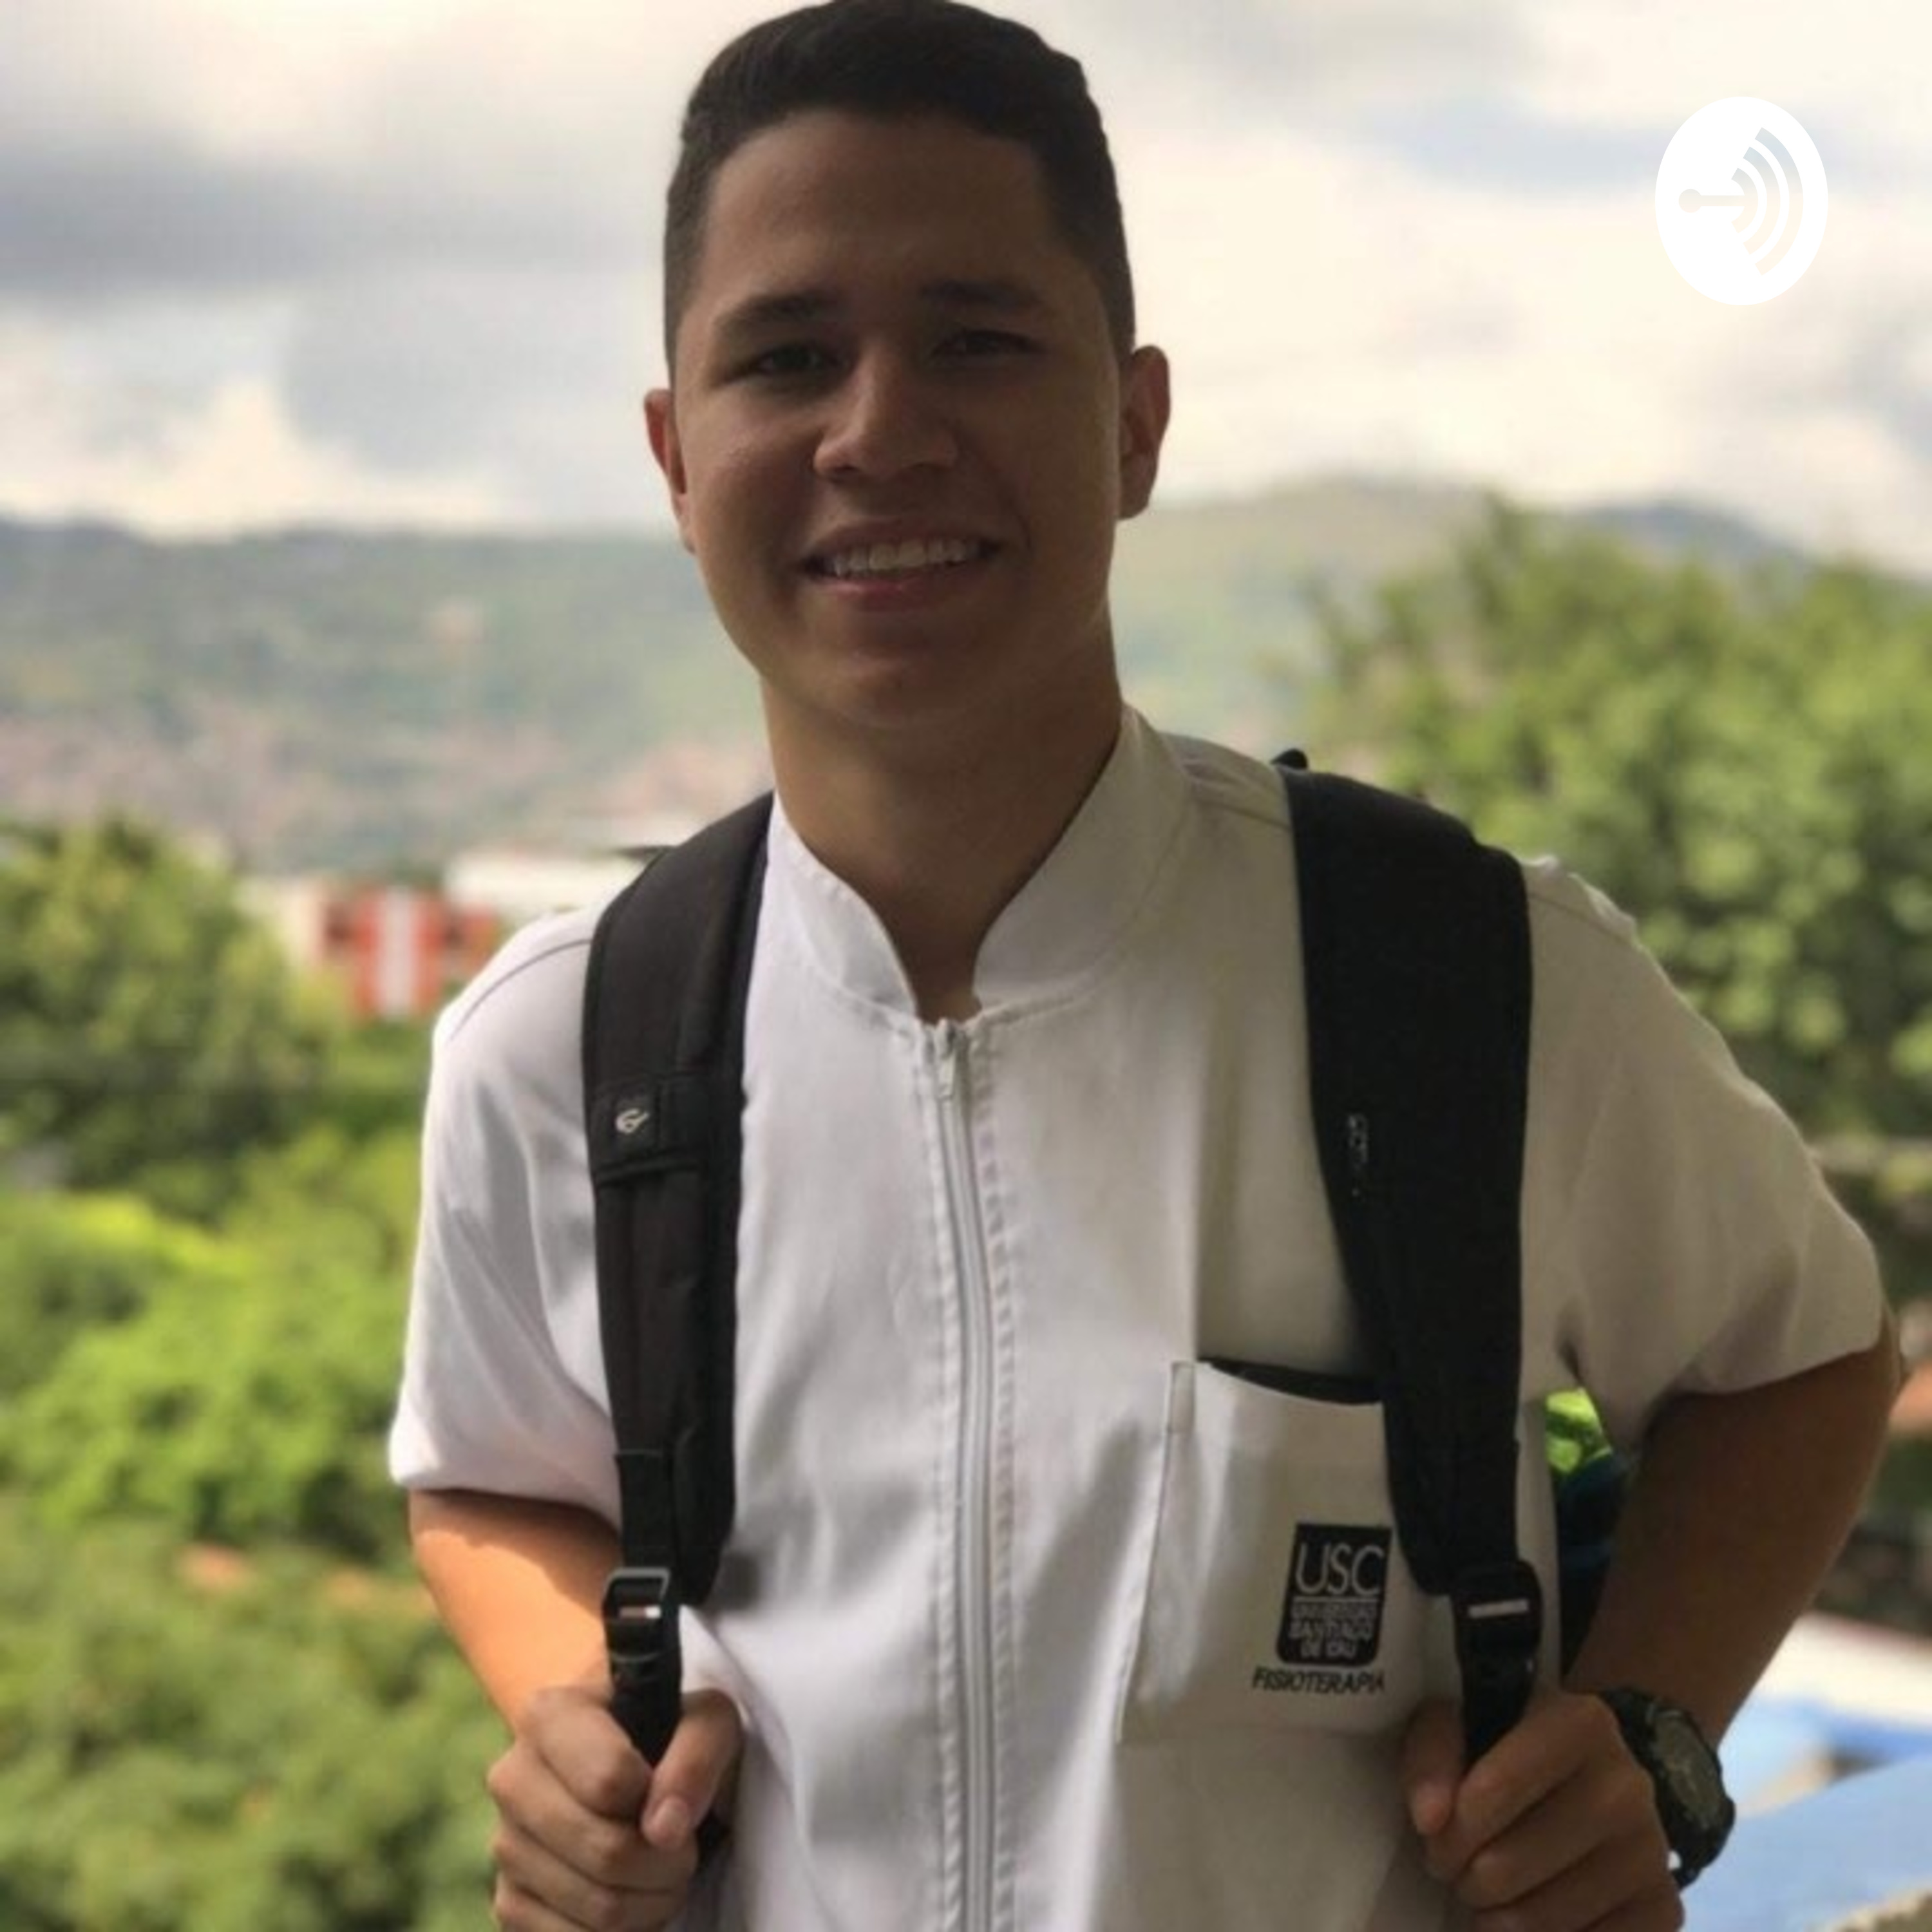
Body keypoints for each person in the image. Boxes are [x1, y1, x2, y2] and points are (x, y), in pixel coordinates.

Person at [388, 3, 1901, 1927]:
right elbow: (490, 1472)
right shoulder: (570, 1048)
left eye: (978, 341)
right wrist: (578, 1734)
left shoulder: (1463, 985)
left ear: (1135, 424)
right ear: (679, 460)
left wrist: (1653, 1732)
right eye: (787, 358)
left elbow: (1801, 1358)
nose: (878, 432)